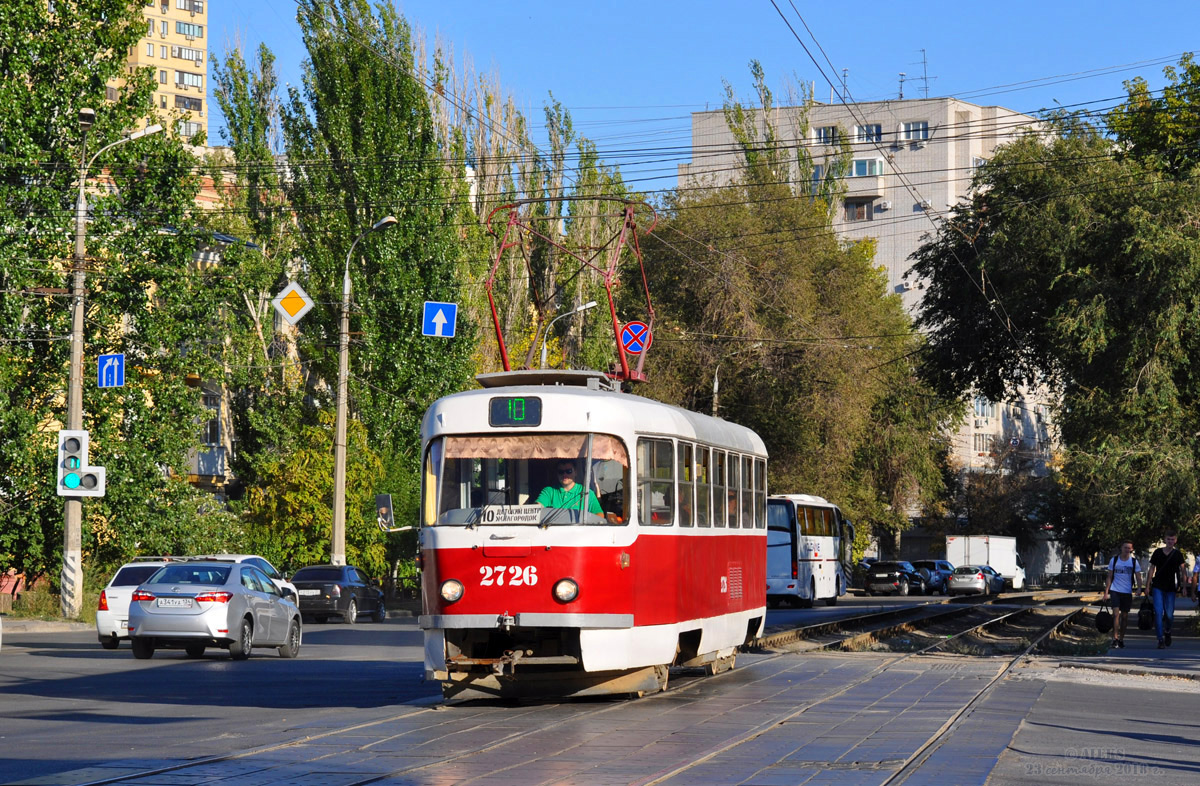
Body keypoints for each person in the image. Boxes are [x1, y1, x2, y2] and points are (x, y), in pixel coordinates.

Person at [1144, 530, 1188, 649]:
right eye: (1168, 539)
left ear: (1175, 540)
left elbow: (1183, 571)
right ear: (1165, 540)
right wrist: (1147, 586)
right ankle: (1160, 639)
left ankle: (1167, 631)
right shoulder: (1158, 552)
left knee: (1169, 614)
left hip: (1171, 588)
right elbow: (1151, 569)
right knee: (1158, 613)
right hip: (1158, 586)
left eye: (1172, 539)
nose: (1170, 541)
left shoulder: (1178, 554)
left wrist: (1184, 587)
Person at [1100, 540, 1140, 648]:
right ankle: (1115, 638)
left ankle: (1122, 638)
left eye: (1129, 548)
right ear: (1121, 548)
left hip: (1127, 591)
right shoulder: (1114, 560)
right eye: (1125, 547)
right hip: (1115, 590)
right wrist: (1106, 591)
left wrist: (1139, 588)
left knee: (1125, 616)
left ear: (1131, 549)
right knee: (1116, 614)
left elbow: (1138, 576)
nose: (1127, 550)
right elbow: (1109, 576)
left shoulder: (1134, 562)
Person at [537, 461, 602, 514]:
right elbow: (537, 510)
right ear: (557, 474)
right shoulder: (548, 492)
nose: (564, 475)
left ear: (576, 472)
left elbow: (599, 515)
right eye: (561, 472)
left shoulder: (587, 493)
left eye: (568, 471)